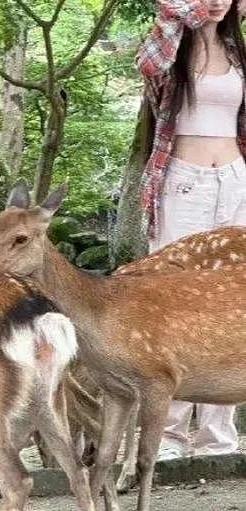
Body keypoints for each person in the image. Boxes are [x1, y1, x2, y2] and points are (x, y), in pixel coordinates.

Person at [137, 0, 246, 459]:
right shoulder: (172, 49)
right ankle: (167, 435)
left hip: (237, 179)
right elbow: (148, 62)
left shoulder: (239, 54)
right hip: (184, 180)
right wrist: (187, 15)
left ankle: (218, 437)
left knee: (232, 301)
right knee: (171, 300)